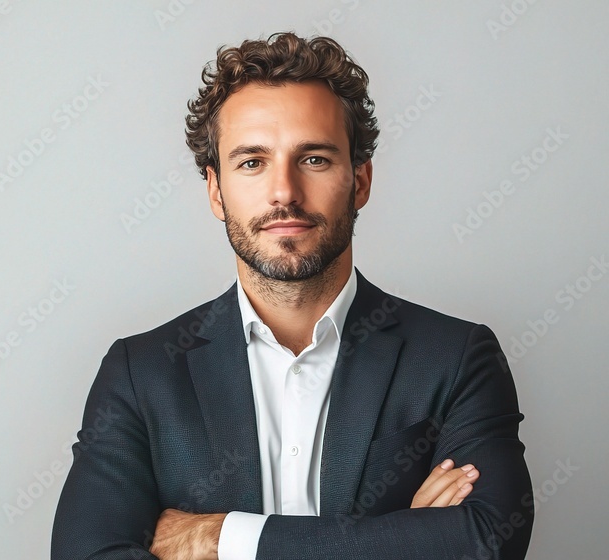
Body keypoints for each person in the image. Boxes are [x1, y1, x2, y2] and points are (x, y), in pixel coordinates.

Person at [51, 32, 533, 560]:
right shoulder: (140, 373)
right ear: (216, 189)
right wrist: (399, 537)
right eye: (252, 162)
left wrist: (221, 538)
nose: (284, 191)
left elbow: (487, 540)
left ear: (361, 181)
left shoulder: (456, 358)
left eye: (315, 159)